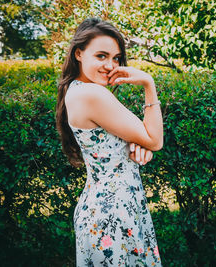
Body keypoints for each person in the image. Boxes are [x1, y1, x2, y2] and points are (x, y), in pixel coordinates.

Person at [55, 17, 163, 266]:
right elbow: (155, 139)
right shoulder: (92, 94)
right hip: (112, 216)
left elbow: (141, 141)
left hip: (109, 208)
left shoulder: (77, 89)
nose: (110, 65)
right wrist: (149, 84)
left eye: (115, 58)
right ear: (79, 53)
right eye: (101, 56)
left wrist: (139, 147)